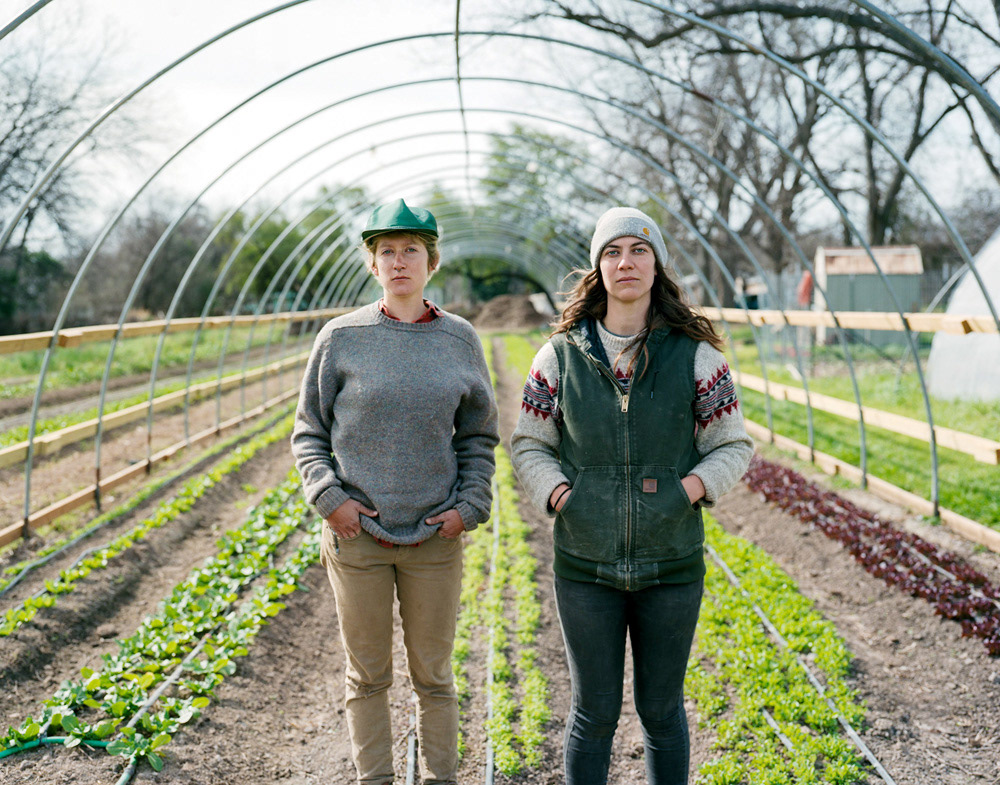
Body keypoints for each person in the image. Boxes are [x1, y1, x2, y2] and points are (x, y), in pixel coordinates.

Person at [510, 206, 753, 785]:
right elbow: (527, 443)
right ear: (599, 267)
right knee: (591, 715)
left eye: (639, 250)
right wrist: (565, 496)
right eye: (613, 252)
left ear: (657, 264)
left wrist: (687, 490)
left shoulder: (696, 356)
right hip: (584, 567)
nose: (626, 262)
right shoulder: (560, 356)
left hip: (671, 567)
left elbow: (733, 446)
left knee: (662, 712)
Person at [291, 198, 499, 785]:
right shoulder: (341, 338)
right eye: (387, 252)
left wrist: (468, 506)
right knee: (369, 676)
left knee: (433, 675)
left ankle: (440, 778)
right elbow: (309, 432)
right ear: (372, 264)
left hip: (436, 536)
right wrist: (332, 501)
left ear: (431, 262)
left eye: (412, 251)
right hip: (358, 539)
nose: (399, 261)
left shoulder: (459, 340)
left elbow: (479, 436)